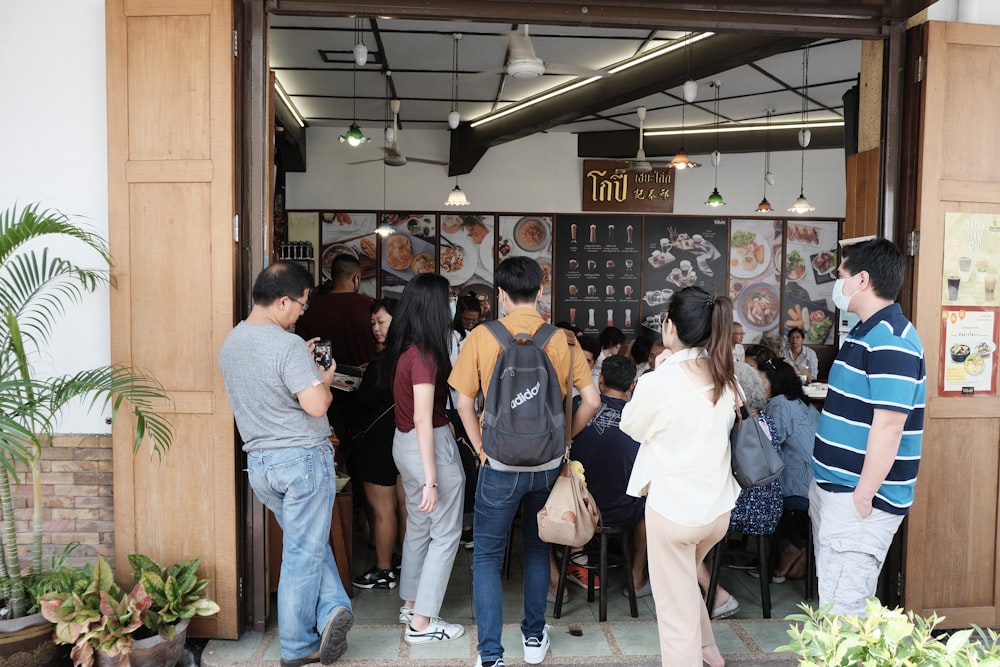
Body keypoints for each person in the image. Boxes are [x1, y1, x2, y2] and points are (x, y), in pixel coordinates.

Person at [449, 256, 600, 667]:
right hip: (548, 467)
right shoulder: (562, 340)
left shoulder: (481, 336)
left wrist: (483, 449)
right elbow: (593, 401)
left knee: (486, 557)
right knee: (537, 551)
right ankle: (534, 640)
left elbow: (463, 403)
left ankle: (491, 657)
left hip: (498, 466)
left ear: (500, 295)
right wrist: (564, 438)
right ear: (539, 293)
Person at [219, 261, 353, 667]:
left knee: (305, 544)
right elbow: (315, 406)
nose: (301, 313)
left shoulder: (232, 342)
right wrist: (322, 379)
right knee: (301, 552)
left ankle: (332, 610)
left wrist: (302, 365)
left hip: (260, 464)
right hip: (302, 460)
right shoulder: (288, 345)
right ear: (281, 301)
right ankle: (297, 646)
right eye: (300, 305)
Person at [620, 286, 741, 667]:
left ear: (670, 326)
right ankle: (708, 651)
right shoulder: (725, 374)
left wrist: (661, 371)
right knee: (684, 580)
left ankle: (691, 656)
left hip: (674, 513)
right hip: (717, 512)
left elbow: (632, 426)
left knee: (673, 610)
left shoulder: (660, 381)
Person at [811, 238, 925, 617]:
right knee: (833, 598)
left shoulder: (892, 340)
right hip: (836, 489)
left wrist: (863, 494)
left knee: (844, 613)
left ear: (862, 280)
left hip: (858, 499)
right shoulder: (864, 331)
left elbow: (890, 427)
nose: (836, 283)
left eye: (839, 274)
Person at [382, 273, 466, 643]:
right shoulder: (426, 356)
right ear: (435, 306)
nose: (453, 305)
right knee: (446, 534)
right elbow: (421, 416)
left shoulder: (404, 349)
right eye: (448, 298)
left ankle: (411, 602)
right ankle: (423, 622)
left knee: (419, 526)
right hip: (427, 444)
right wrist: (432, 479)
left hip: (404, 446)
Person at [697, 362, 783, 620]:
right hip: (770, 510)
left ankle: (717, 595)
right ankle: (708, 590)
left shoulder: (738, 424)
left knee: (682, 537)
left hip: (742, 511)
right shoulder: (766, 420)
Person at [570, 355, 649, 597]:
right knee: (650, 503)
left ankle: (571, 559)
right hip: (621, 511)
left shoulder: (576, 405)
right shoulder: (643, 417)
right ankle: (636, 576)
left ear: (600, 380)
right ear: (632, 385)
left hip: (577, 510)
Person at [349, 299, 407, 590]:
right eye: (373, 323)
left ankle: (384, 570)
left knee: (383, 509)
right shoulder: (408, 355)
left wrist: (350, 386)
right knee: (402, 504)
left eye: (381, 322)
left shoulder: (384, 362)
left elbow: (364, 402)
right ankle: (404, 561)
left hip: (378, 443)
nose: (376, 328)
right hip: (400, 439)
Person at [296, 253, 376, 438]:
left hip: (325, 391)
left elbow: (301, 351)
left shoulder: (312, 309)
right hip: (364, 390)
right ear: (356, 278)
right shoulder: (369, 306)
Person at [759, 356, 819, 581]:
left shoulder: (778, 405)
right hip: (818, 484)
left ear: (774, 382)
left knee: (758, 496)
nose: (759, 385)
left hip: (798, 487)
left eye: (761, 380)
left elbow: (767, 446)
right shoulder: (805, 403)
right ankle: (800, 547)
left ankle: (789, 547)